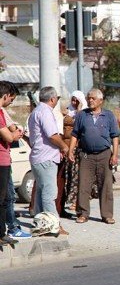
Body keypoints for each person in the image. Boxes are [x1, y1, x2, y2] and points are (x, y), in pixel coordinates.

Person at [68, 88, 120, 225]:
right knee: (84, 185)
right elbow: (75, 135)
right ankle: (83, 214)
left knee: (106, 185)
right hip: (86, 155)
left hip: (104, 154)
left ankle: (107, 215)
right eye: (88, 98)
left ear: (100, 101)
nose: (90, 100)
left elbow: (115, 136)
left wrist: (115, 154)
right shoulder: (82, 115)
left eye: (93, 98)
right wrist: (70, 151)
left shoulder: (109, 116)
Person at [28, 86, 70, 234]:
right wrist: (64, 146)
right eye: (57, 99)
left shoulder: (35, 111)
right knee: (49, 194)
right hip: (46, 159)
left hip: (38, 157)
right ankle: (54, 226)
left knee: (40, 194)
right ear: (52, 99)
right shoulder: (45, 112)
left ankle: (42, 224)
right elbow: (52, 135)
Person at [1, 82, 29, 242]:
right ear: (5, 96)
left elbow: (12, 129)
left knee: (7, 197)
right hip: (2, 161)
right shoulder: (0, 112)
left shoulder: (3, 112)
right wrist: (15, 135)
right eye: (11, 98)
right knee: (6, 198)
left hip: (6, 159)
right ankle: (9, 229)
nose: (11, 102)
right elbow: (10, 136)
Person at [64, 91, 88, 211]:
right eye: (72, 100)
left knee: (79, 177)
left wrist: (79, 109)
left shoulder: (85, 112)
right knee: (71, 176)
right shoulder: (67, 110)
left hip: (81, 149)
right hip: (69, 148)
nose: (74, 103)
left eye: (76, 101)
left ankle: (78, 202)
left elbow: (81, 125)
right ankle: (72, 200)